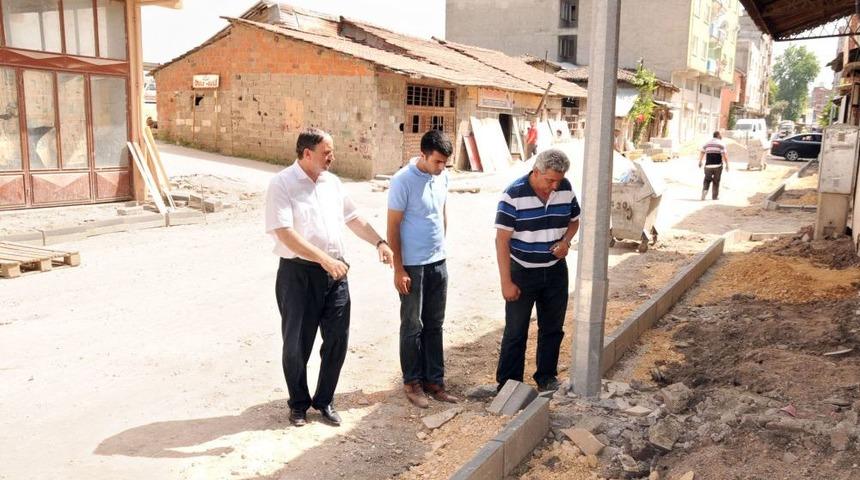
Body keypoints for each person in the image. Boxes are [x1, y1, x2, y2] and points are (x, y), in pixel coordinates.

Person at [265, 127, 394, 427]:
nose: (332, 157)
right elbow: (285, 233)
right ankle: (298, 403)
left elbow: (353, 218)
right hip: (299, 275)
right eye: (326, 153)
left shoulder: (332, 183)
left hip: (336, 273)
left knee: (337, 340)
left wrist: (379, 241)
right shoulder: (282, 184)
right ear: (306, 153)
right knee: (297, 344)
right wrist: (323, 260)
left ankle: (324, 400)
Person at [494, 148, 581, 392]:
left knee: (553, 328)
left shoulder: (565, 189)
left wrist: (565, 242)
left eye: (558, 180)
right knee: (516, 331)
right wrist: (506, 282)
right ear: (535, 172)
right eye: (549, 180)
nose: (554, 186)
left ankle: (546, 377)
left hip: (555, 271)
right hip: (521, 271)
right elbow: (502, 240)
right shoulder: (513, 194)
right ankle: (509, 385)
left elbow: (575, 221)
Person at [387, 130, 457, 408]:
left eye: (445, 163)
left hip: (438, 262)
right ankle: (412, 382)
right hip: (412, 266)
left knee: (435, 324)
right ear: (424, 154)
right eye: (437, 161)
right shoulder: (403, 180)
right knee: (412, 325)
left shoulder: (443, 177)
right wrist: (398, 268)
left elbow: (441, 212)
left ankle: (434, 381)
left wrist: (440, 247)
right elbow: (392, 226)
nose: (441, 167)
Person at [698, 131, 729, 201]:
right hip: (718, 165)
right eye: (720, 135)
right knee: (716, 181)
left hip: (708, 166)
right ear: (718, 135)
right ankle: (714, 196)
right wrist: (727, 164)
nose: (721, 136)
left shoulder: (707, 143)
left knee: (707, 179)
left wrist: (700, 161)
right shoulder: (721, 144)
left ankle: (705, 191)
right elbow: (724, 155)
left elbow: (702, 152)